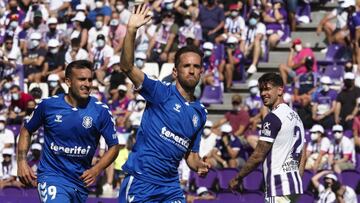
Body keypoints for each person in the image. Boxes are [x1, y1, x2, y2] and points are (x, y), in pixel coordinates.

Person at [118, 5, 210, 202]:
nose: (192, 71)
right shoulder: (160, 92)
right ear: (175, 72)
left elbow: (191, 155)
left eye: (196, 67)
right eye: (186, 66)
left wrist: (199, 165)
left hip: (170, 187)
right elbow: (126, 66)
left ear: (201, 72)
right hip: (142, 181)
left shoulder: (200, 112)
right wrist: (132, 30)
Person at [16, 60, 120, 203]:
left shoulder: (100, 111)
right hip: (51, 177)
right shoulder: (48, 105)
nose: (87, 84)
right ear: (68, 82)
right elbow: (26, 131)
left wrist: (96, 169)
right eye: (82, 79)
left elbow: (114, 146)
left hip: (79, 183)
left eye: (90, 80)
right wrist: (21, 162)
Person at [229, 73, 306, 202]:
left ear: (280, 90)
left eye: (267, 89)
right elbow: (303, 154)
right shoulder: (296, 117)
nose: (263, 93)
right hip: (294, 186)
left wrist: (238, 178)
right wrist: (296, 178)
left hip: (278, 187)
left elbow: (258, 155)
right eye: (261, 90)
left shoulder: (272, 117)